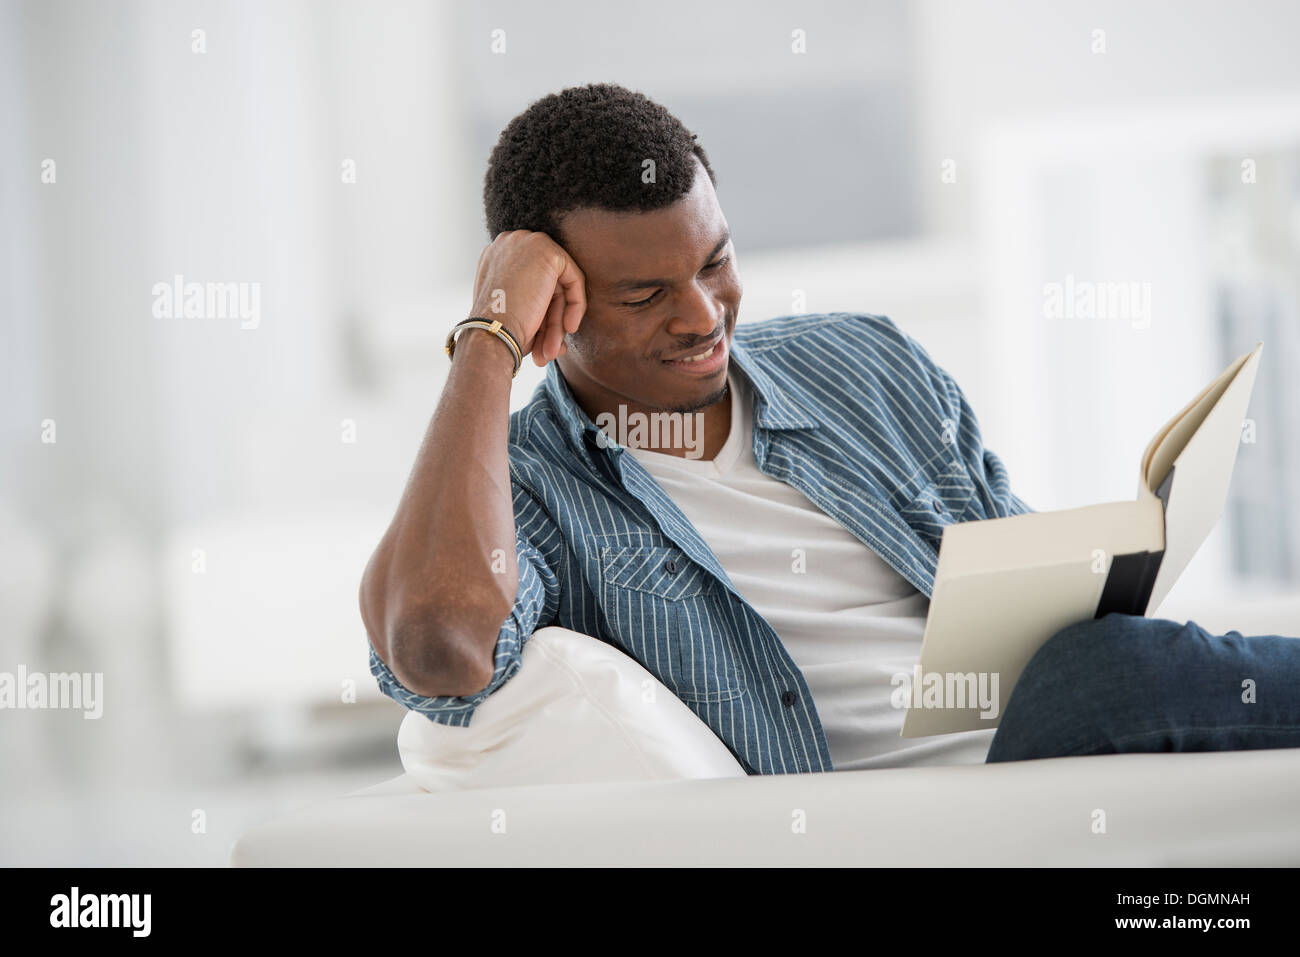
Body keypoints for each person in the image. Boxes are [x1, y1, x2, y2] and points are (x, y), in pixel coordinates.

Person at [359, 82, 1300, 775]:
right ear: (553, 312)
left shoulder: (862, 359)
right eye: (644, 295)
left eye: (716, 261)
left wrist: (1110, 562)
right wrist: (487, 337)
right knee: (1109, 672)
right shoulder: (535, 490)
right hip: (923, 817)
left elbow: (1024, 575)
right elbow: (439, 644)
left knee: (1113, 661)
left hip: (1066, 737)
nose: (702, 316)